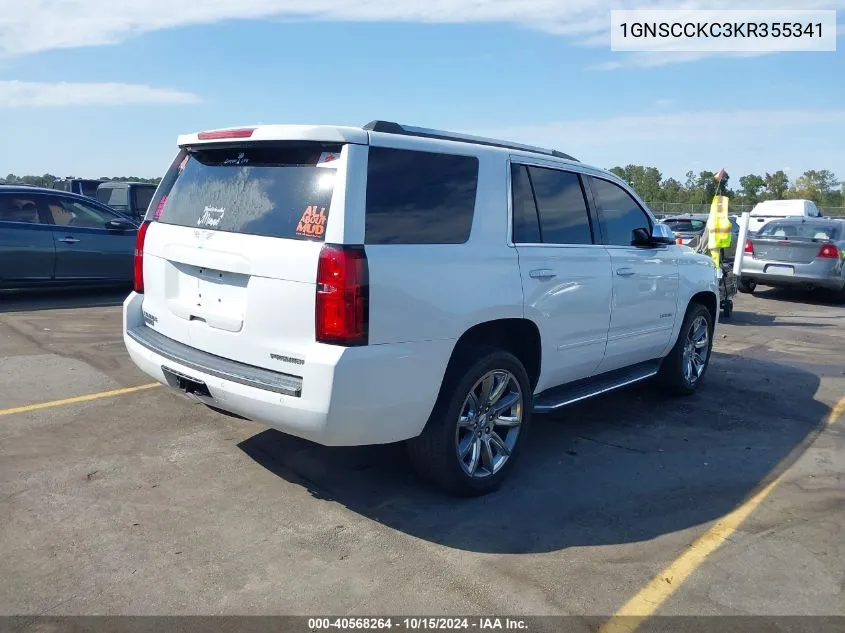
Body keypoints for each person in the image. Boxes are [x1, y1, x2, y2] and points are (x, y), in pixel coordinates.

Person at [707, 169, 733, 268]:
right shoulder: (720, 208)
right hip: (719, 241)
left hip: (715, 241)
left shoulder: (718, 208)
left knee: (715, 260)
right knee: (716, 260)